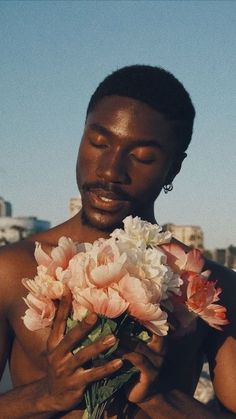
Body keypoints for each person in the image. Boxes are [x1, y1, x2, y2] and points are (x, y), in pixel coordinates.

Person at [0, 65, 235, 418]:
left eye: (142, 157)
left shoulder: (208, 290)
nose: (110, 171)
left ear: (173, 169)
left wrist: (159, 398)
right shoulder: (11, 270)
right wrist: (45, 395)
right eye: (98, 143)